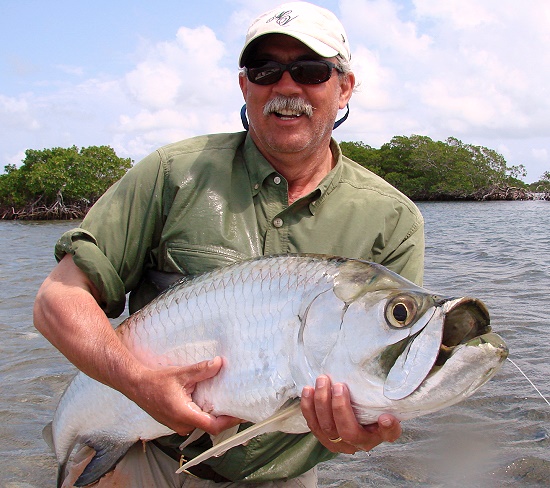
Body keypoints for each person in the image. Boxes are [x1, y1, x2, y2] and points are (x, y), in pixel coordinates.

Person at [34, 2, 424, 487]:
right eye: (265, 70)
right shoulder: (172, 174)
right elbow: (57, 300)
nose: (286, 86)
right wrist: (138, 384)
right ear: (244, 85)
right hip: (147, 455)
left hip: (280, 476)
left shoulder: (392, 220)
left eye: (310, 70)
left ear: (344, 87)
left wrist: (352, 434)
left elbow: (376, 395)